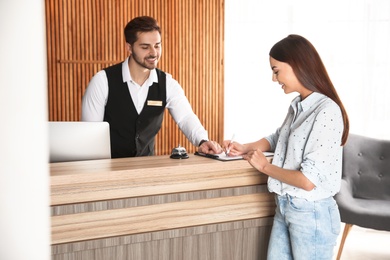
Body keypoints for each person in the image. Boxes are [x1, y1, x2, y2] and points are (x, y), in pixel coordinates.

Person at [223, 34, 349, 260]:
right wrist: (245, 148)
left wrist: (264, 167)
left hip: (311, 213)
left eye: (276, 70)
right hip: (285, 206)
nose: (274, 78)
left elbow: (307, 181)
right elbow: (278, 137)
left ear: (296, 65)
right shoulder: (298, 106)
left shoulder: (326, 111)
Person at [81, 16, 222, 158]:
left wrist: (202, 141)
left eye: (157, 45)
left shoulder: (167, 82)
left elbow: (185, 117)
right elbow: (91, 134)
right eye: (145, 47)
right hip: (108, 169)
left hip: (147, 169)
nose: (153, 53)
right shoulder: (102, 81)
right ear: (129, 47)